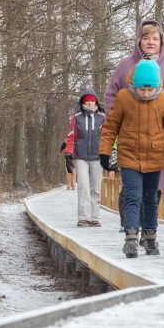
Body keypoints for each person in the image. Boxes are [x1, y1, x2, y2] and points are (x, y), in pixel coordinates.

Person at [105, 19, 164, 237]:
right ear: (139, 41)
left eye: (155, 38)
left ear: (161, 41)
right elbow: (110, 96)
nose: (151, 42)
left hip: (160, 140)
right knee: (132, 188)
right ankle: (130, 226)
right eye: (146, 38)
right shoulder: (126, 65)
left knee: (154, 189)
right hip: (131, 140)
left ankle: (148, 230)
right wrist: (117, 124)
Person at [100, 59, 164, 258]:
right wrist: (105, 152)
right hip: (129, 156)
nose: (146, 94)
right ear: (134, 86)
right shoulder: (123, 98)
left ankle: (150, 238)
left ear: (157, 86)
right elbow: (110, 127)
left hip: (155, 157)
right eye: (141, 90)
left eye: (150, 90)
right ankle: (130, 237)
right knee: (133, 196)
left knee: (150, 199)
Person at [66, 88, 105, 227]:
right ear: (83, 101)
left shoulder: (103, 117)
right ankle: (83, 217)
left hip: (98, 156)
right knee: (83, 186)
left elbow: (108, 137)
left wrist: (109, 155)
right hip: (81, 156)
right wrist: (68, 152)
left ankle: (95, 217)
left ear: (95, 101)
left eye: (92, 100)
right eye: (87, 100)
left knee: (95, 188)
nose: (89, 102)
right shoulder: (77, 117)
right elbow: (71, 136)